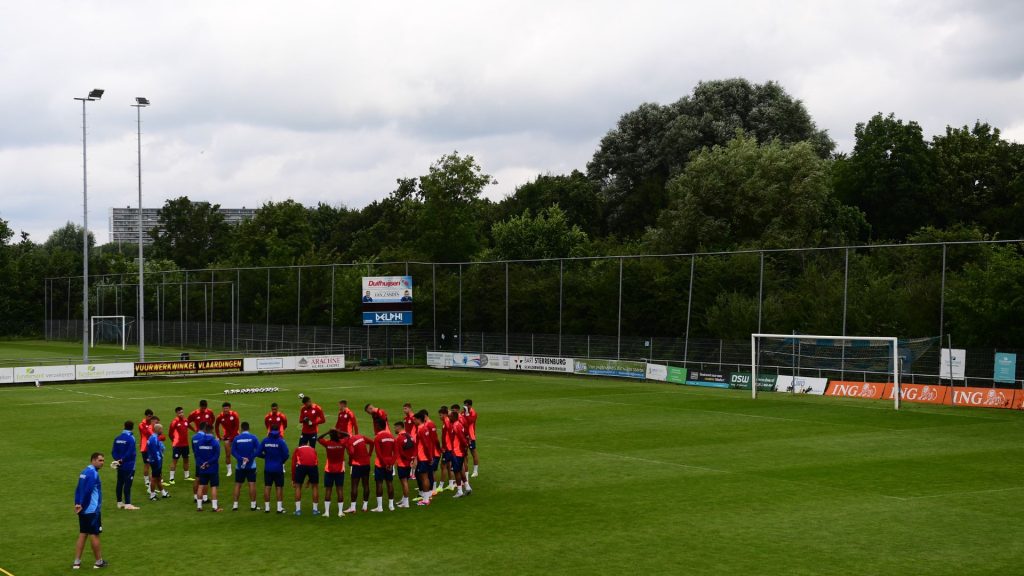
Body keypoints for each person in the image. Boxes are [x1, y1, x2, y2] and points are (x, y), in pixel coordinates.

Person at [73, 452, 108, 570]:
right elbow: (88, 491)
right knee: (94, 535)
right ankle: (99, 562)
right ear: (93, 460)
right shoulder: (93, 473)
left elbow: (78, 489)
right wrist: (82, 505)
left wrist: (77, 504)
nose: (102, 463)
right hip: (91, 510)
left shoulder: (84, 472)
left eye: (103, 460)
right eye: (100, 460)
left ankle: (76, 562)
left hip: (82, 509)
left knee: (83, 534)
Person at [256, 427, 290, 513]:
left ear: (270, 431)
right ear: (278, 431)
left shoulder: (265, 441)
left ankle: (267, 508)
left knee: (267, 487)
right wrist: (281, 461)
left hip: (268, 468)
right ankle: (279, 508)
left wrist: (266, 457)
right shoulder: (281, 441)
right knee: (279, 487)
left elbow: (258, 453)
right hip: (278, 468)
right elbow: (286, 454)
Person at [317, 429, 348, 518]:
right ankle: (340, 512)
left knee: (328, 490)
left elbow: (319, 438)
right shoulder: (342, 443)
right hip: (340, 470)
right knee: (340, 490)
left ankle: (327, 512)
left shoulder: (327, 444)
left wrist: (327, 432)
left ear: (330, 436)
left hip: (329, 470)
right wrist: (340, 431)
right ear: (338, 436)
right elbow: (348, 435)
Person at [230, 422, 260, 511]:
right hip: (251, 465)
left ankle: (235, 505)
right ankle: (253, 505)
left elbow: (233, 451)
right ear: (248, 428)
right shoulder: (253, 438)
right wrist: (249, 458)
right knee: (252, 484)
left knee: (238, 484)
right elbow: (258, 450)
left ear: (241, 429)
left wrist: (241, 459)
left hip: (240, 466)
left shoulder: (237, 438)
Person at [341, 431, 373, 513]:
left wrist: (350, 460)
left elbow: (351, 452)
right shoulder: (360, 436)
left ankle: (353, 507)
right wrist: (369, 454)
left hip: (357, 465)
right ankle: (365, 506)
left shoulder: (349, 441)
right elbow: (372, 442)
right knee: (366, 484)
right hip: (366, 464)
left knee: (354, 485)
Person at [194, 423, 223, 512]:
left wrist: (203, 463)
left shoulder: (199, 442)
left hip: (202, 468)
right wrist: (208, 463)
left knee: (201, 486)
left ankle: (199, 507)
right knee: (213, 486)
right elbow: (216, 456)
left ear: (205, 430)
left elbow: (197, 455)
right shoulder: (215, 442)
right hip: (212, 468)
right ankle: (214, 507)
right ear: (212, 430)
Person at [110, 421, 139, 510]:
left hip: (119, 465)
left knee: (120, 482)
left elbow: (113, 452)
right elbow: (130, 452)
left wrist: (117, 460)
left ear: (124, 426)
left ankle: (119, 502)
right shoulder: (131, 438)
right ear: (132, 427)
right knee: (127, 484)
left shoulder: (117, 438)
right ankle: (128, 504)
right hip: (129, 464)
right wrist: (122, 460)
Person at [448, 405, 473, 498]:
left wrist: (466, 446)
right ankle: (467, 487)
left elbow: (462, 439)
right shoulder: (459, 424)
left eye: (450, 416)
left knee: (456, 471)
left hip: (457, 452)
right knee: (461, 470)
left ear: (454, 417)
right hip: (460, 452)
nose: (449, 418)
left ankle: (459, 491)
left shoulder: (455, 426)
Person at [371, 424, 397, 512]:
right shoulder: (391, 437)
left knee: (379, 483)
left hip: (380, 464)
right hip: (389, 463)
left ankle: (380, 507)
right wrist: (391, 464)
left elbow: (378, 453)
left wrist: (385, 464)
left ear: (377, 427)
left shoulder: (378, 437)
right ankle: (391, 506)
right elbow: (396, 453)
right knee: (389, 483)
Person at [291, 441, 321, 515]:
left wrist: (293, 479)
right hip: (313, 467)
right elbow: (316, 462)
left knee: (298, 487)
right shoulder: (313, 449)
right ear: (308, 444)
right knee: (315, 487)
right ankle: (315, 510)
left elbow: (293, 464)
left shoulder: (297, 449)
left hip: (301, 466)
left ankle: (298, 510)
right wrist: (309, 480)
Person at [412, 411, 434, 506]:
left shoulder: (421, 429)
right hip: (425, 457)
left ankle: (426, 500)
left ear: (418, 419)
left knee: (424, 478)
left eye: (415, 419)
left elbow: (425, 445)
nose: (414, 421)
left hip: (423, 458)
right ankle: (427, 496)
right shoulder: (424, 428)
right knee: (426, 477)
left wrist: (429, 458)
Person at [393, 421, 416, 508]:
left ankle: (406, 503)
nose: (394, 429)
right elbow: (414, 448)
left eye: (395, 427)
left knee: (404, 482)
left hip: (402, 463)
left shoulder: (399, 438)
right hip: (408, 463)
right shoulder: (410, 436)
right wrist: (412, 459)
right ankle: (404, 499)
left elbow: (400, 452)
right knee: (405, 481)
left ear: (399, 427)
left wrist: (407, 458)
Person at [215, 402, 241, 476]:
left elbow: (236, 426)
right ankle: (229, 471)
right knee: (228, 454)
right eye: (224, 408)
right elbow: (216, 426)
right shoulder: (220, 417)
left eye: (227, 408)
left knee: (240, 452)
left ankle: (241, 467)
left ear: (229, 408)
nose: (225, 410)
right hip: (226, 437)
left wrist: (232, 437)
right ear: (222, 409)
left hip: (236, 436)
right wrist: (219, 436)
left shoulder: (234, 414)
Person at [146, 423, 170, 500]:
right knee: (154, 478)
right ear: (158, 429)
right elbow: (154, 451)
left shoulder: (153, 437)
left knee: (158, 477)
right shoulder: (154, 439)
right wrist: (158, 460)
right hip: (156, 461)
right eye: (161, 429)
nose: (162, 430)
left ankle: (163, 493)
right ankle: (152, 495)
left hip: (155, 460)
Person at [167, 407, 191, 485]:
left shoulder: (185, 420)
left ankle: (187, 476)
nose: (181, 414)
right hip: (177, 445)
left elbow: (189, 426)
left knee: (186, 459)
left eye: (182, 412)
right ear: (177, 413)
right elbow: (170, 433)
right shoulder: (174, 422)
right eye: (180, 413)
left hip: (185, 444)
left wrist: (196, 430)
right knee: (175, 461)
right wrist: (174, 441)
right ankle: (171, 478)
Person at [138, 409, 155, 488]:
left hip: (153, 447)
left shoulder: (153, 423)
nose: (150, 417)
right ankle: (146, 481)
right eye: (149, 416)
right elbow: (147, 433)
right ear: (146, 416)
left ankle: (155, 478)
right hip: (145, 447)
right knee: (147, 464)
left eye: (151, 416)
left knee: (154, 464)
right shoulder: (142, 424)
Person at [438, 405, 453, 491]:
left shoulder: (447, 422)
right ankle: (451, 484)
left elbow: (450, 435)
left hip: (447, 448)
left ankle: (440, 486)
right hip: (448, 448)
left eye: (440, 415)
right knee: (448, 465)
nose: (439, 417)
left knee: (443, 466)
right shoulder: (446, 421)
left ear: (444, 414)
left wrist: (444, 447)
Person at [463, 399, 479, 477]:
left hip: (471, 436)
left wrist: (466, 413)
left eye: (466, 405)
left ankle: (475, 471)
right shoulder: (463, 412)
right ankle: (466, 472)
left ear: (470, 405)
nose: (465, 406)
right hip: (464, 436)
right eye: (464, 405)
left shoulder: (473, 413)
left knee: (473, 453)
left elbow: (469, 422)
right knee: (465, 455)